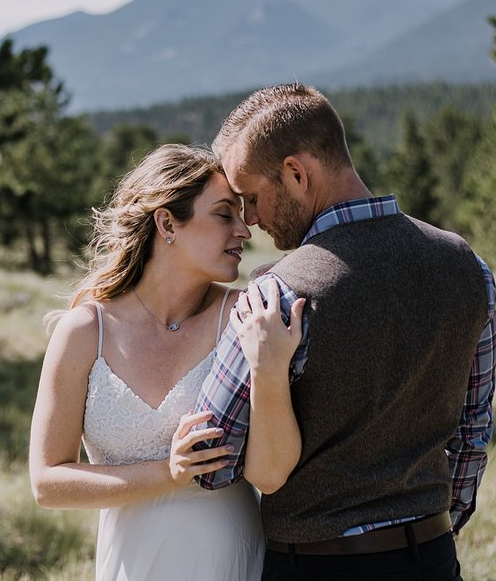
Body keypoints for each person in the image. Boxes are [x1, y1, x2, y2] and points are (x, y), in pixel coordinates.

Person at [194, 83, 496, 580]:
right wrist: (438, 527)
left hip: (317, 564)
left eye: (252, 198)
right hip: (432, 556)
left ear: (295, 173)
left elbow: (214, 462)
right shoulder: (468, 267)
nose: (250, 220)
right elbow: (472, 434)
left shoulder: (279, 294)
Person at [28, 144, 305, 581]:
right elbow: (47, 482)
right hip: (132, 562)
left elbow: (273, 473)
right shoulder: (85, 332)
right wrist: (167, 473)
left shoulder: (247, 318)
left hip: (228, 557)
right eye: (223, 214)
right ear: (167, 223)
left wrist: (270, 368)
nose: (244, 230)